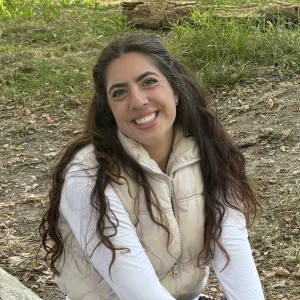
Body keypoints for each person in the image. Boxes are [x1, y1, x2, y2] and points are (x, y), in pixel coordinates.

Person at [39, 34, 265, 300]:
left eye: (149, 82)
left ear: (176, 90)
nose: (138, 101)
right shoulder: (87, 176)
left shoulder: (209, 152)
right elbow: (139, 292)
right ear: (108, 108)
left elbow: (234, 254)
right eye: (119, 92)